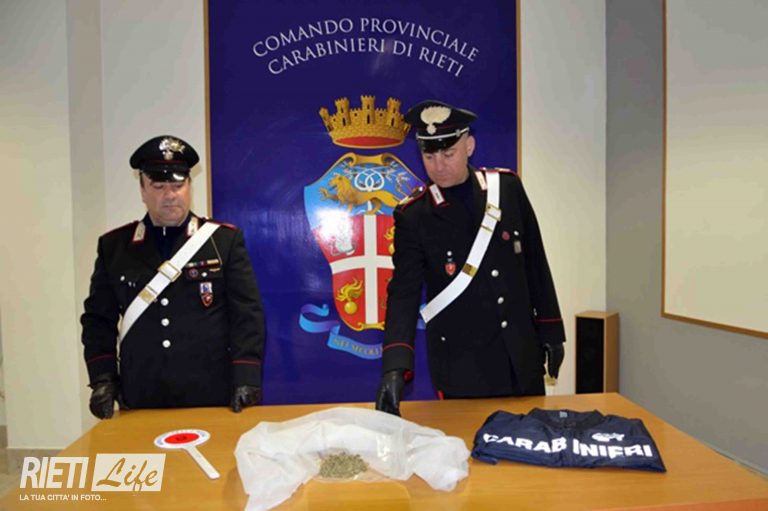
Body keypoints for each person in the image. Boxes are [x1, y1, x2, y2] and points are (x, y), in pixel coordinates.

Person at [376, 101, 565, 416]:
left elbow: (535, 263)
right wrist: (395, 366)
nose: (439, 166)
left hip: (521, 356)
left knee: (531, 439)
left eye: (448, 154)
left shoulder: (506, 190)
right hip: (463, 366)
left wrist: (551, 331)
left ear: (469, 146)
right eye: (429, 157)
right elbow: (403, 294)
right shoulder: (415, 215)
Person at [82, 135, 265, 418]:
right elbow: (98, 320)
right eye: (159, 186)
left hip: (210, 391)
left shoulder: (223, 241)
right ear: (142, 190)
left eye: (178, 185)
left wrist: (246, 375)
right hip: (141, 392)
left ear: (189, 186)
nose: (170, 195)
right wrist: (102, 378)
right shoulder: (115, 247)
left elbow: (246, 313)